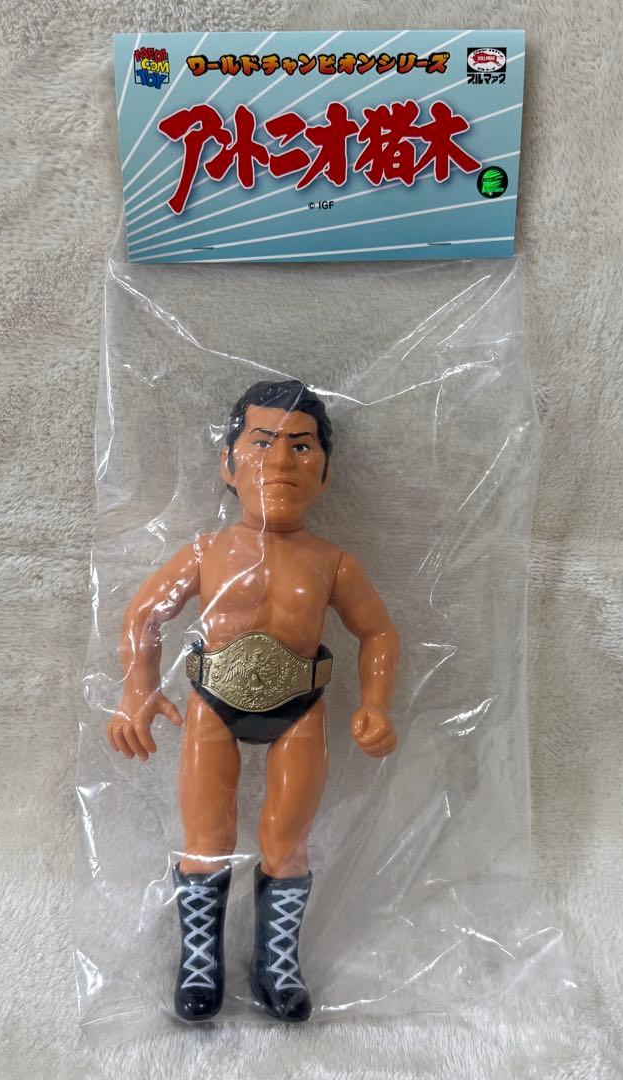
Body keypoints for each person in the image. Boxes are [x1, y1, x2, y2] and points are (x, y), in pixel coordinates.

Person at [108, 379, 399, 1022]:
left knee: (286, 839)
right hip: (213, 702)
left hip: (300, 709)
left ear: (326, 472)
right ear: (229, 462)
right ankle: (199, 961)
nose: (280, 461)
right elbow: (143, 616)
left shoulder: (332, 563)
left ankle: (277, 961)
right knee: (207, 834)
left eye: (302, 446)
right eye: (262, 443)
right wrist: (137, 690)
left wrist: (376, 701)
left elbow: (377, 631)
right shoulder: (207, 552)